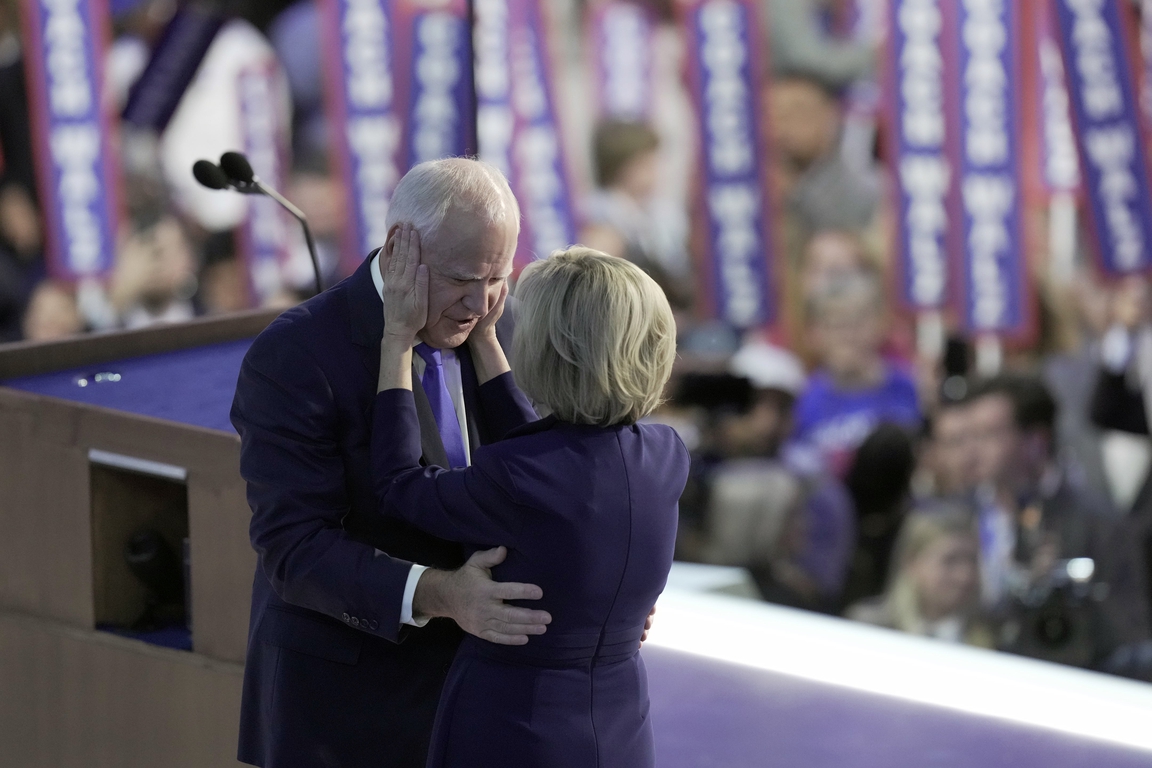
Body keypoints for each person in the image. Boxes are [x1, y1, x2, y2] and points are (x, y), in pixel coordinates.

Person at [230, 159, 553, 768]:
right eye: (461, 278)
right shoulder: (296, 354)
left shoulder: (495, 326)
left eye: (496, 277)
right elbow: (293, 548)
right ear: (402, 246)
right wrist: (441, 594)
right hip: (347, 710)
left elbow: (535, 476)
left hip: (479, 699)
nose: (478, 302)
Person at [372, 245, 687, 768]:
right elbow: (554, 457)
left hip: (515, 725)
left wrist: (396, 341)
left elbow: (399, 485)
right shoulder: (666, 454)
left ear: (547, 349)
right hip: (620, 722)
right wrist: (488, 340)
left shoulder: (517, 476)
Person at [968, 375, 1150, 668]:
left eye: (990, 434)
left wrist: (1055, 593)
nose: (973, 449)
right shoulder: (958, 514)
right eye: (971, 435)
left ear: (1036, 441)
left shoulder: (1099, 525)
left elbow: (1130, 634)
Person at [790, 269, 920, 477]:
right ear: (815, 334)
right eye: (835, 324)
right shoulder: (803, 401)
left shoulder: (910, 387)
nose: (848, 335)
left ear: (880, 323)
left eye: (858, 321)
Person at [848, 511, 993, 648]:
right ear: (911, 562)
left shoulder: (993, 638)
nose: (965, 576)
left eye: (972, 561)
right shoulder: (870, 627)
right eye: (950, 560)